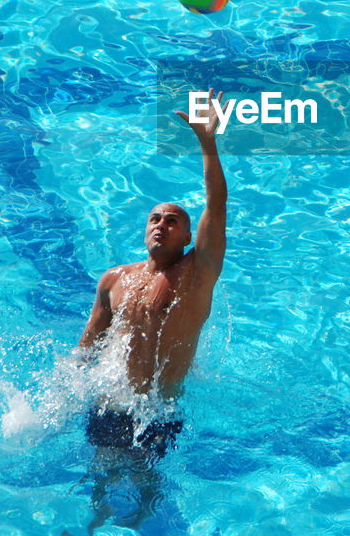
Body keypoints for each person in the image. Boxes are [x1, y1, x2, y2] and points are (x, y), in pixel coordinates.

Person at [76, 87, 231, 457]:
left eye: (173, 220)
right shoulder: (114, 280)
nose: (162, 225)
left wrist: (207, 142)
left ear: (189, 235)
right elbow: (87, 349)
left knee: (147, 495)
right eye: (155, 218)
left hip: (158, 412)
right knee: (100, 487)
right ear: (145, 229)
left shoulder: (197, 273)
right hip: (110, 404)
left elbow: (217, 203)